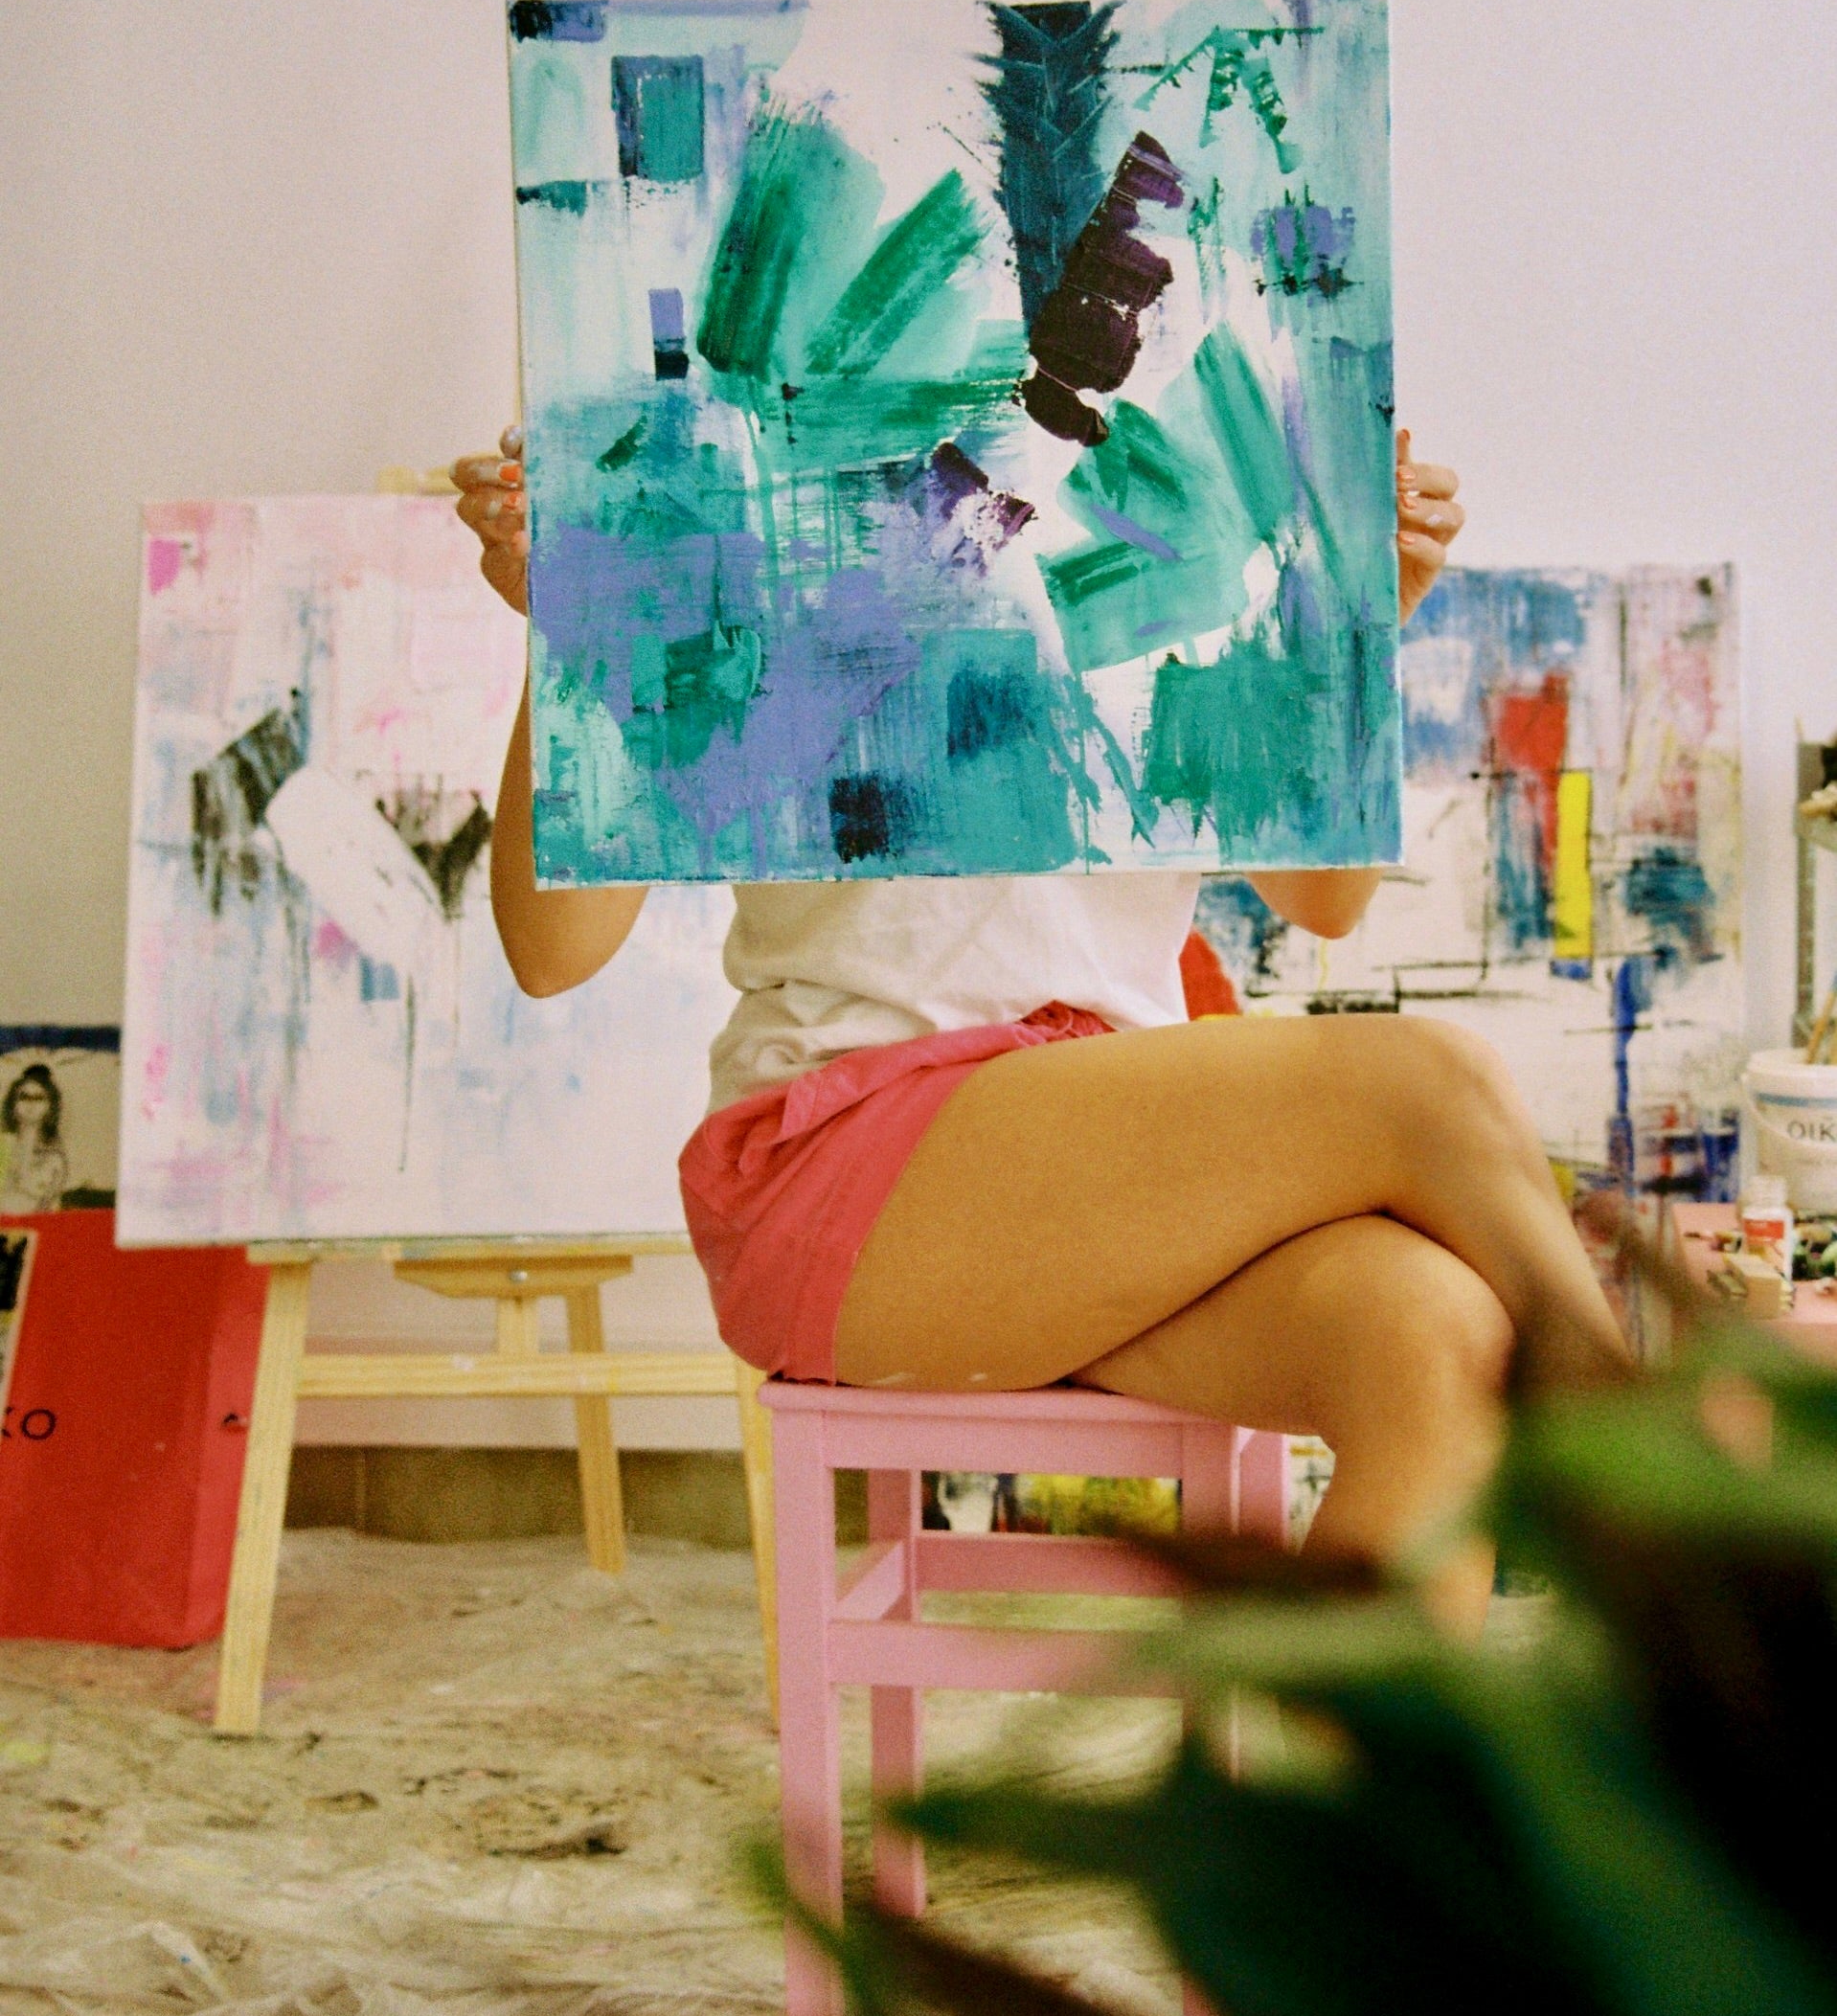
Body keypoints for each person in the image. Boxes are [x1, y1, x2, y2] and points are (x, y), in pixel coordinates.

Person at [453, 426, 1628, 1632]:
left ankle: (1386, 1760)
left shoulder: (1185, 474)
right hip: (852, 1175)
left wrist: (1352, 617)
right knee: (1423, 1079)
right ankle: (1662, 1495)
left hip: (1112, 1189)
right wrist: (574, 623)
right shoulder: (764, 467)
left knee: (1438, 1335)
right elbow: (552, 950)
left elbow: (1322, 896)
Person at [1, 1063, 69, 1214]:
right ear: (13, 1104)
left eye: (39, 1098)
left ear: (50, 1106)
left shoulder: (54, 1159)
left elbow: (51, 1207)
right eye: (24, 1097)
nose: (30, 1104)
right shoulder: (3, 1147)